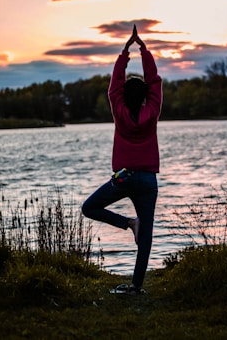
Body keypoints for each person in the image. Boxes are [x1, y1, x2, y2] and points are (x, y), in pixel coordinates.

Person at [82, 25, 162, 294]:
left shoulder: (118, 109)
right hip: (148, 179)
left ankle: (128, 223)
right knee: (147, 236)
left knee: (89, 207)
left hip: (124, 177)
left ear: (125, 96)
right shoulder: (152, 110)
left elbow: (114, 86)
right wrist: (144, 51)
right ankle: (136, 286)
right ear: (146, 97)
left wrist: (125, 52)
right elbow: (155, 83)